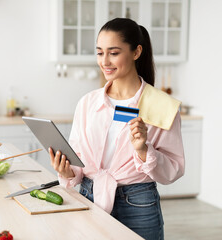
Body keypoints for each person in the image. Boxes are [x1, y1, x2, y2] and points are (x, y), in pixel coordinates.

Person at [49, 18, 185, 240]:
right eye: (100, 52)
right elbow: (78, 160)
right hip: (89, 196)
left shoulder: (162, 106)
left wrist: (144, 150)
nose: (105, 61)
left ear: (136, 52)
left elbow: (174, 170)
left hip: (139, 205)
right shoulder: (87, 103)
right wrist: (67, 171)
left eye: (113, 52)